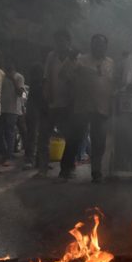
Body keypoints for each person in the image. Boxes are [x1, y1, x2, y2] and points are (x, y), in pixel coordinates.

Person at [59, 34, 114, 183]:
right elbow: (63, 74)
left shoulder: (111, 63)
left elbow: (113, 85)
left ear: (106, 46)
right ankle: (65, 169)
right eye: (95, 43)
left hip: (102, 108)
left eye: (101, 44)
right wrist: (69, 59)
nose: (98, 46)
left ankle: (96, 172)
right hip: (82, 106)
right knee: (74, 139)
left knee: (99, 142)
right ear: (91, 45)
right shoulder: (81, 60)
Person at [36, 29, 74, 177]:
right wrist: (46, 98)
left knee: (69, 138)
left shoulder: (75, 57)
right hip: (51, 103)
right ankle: (43, 168)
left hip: (68, 104)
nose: (60, 43)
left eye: (63, 40)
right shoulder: (51, 56)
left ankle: (68, 169)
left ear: (68, 42)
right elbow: (46, 78)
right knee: (43, 136)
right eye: (58, 41)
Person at [0, 59, 25, 166]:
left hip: (13, 110)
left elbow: (20, 93)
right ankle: (5, 152)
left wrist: (13, 79)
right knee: (0, 132)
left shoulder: (19, 77)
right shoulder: (1, 77)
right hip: (0, 109)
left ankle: (8, 156)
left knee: (9, 133)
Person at [23, 63, 44, 170]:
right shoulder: (37, 84)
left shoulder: (39, 83)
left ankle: (37, 161)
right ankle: (31, 160)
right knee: (34, 136)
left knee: (38, 136)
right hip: (35, 109)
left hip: (39, 109)